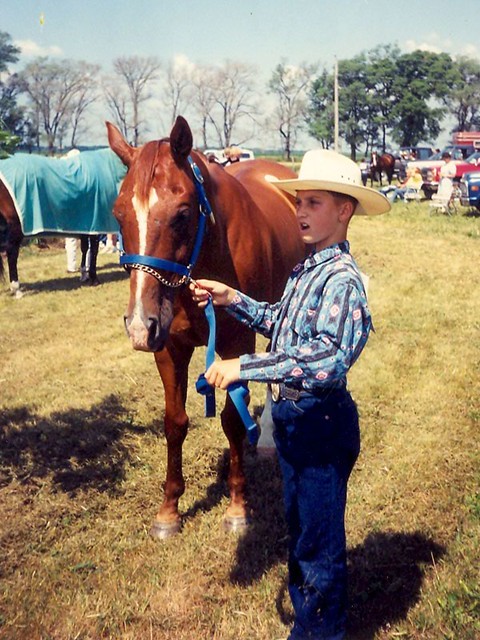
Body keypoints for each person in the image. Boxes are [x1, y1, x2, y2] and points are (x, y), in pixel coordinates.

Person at [190, 149, 390, 640]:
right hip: (297, 425)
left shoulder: (341, 280)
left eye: (313, 202)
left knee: (319, 553)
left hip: (321, 427)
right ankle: (310, 624)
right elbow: (282, 324)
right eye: (299, 201)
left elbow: (326, 359)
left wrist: (243, 366)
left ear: (344, 211)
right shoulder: (309, 268)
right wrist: (231, 298)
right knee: (302, 537)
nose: (299, 211)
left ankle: (320, 630)